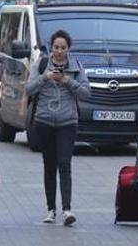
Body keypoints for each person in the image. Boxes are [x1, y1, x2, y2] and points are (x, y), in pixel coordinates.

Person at [25, 30, 91, 226]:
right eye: (56, 47)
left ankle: (67, 209)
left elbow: (87, 93)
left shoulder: (76, 67)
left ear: (68, 49)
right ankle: (50, 209)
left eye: (63, 48)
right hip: (44, 121)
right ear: (51, 48)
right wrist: (46, 77)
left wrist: (66, 80)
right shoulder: (42, 64)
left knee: (65, 164)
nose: (59, 51)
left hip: (67, 122)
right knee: (49, 165)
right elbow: (28, 89)